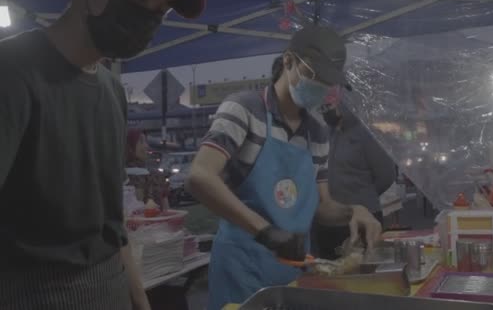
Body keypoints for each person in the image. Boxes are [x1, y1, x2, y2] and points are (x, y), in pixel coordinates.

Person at [0, 0, 205, 309]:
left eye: (160, 11)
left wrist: (138, 296)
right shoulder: (11, 71)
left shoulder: (112, 90)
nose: (145, 18)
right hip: (33, 292)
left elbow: (113, 222)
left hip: (109, 286)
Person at [186, 25, 383, 309]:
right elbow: (200, 177)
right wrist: (266, 232)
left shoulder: (316, 133)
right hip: (242, 267)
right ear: (288, 61)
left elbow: (321, 205)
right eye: (314, 76)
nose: (321, 88)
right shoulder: (243, 109)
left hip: (293, 268)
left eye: (328, 82)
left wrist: (353, 211)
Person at [314, 99, 397, 260]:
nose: (326, 111)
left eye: (329, 105)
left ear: (344, 104)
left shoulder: (367, 134)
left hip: (363, 218)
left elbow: (386, 175)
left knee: (363, 270)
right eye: (322, 107)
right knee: (329, 274)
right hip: (330, 220)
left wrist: (363, 196)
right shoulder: (324, 135)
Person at [125, 129, 170, 211]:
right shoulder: (155, 176)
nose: (147, 146)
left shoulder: (118, 176)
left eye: (145, 141)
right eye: (141, 142)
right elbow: (166, 210)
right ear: (128, 146)